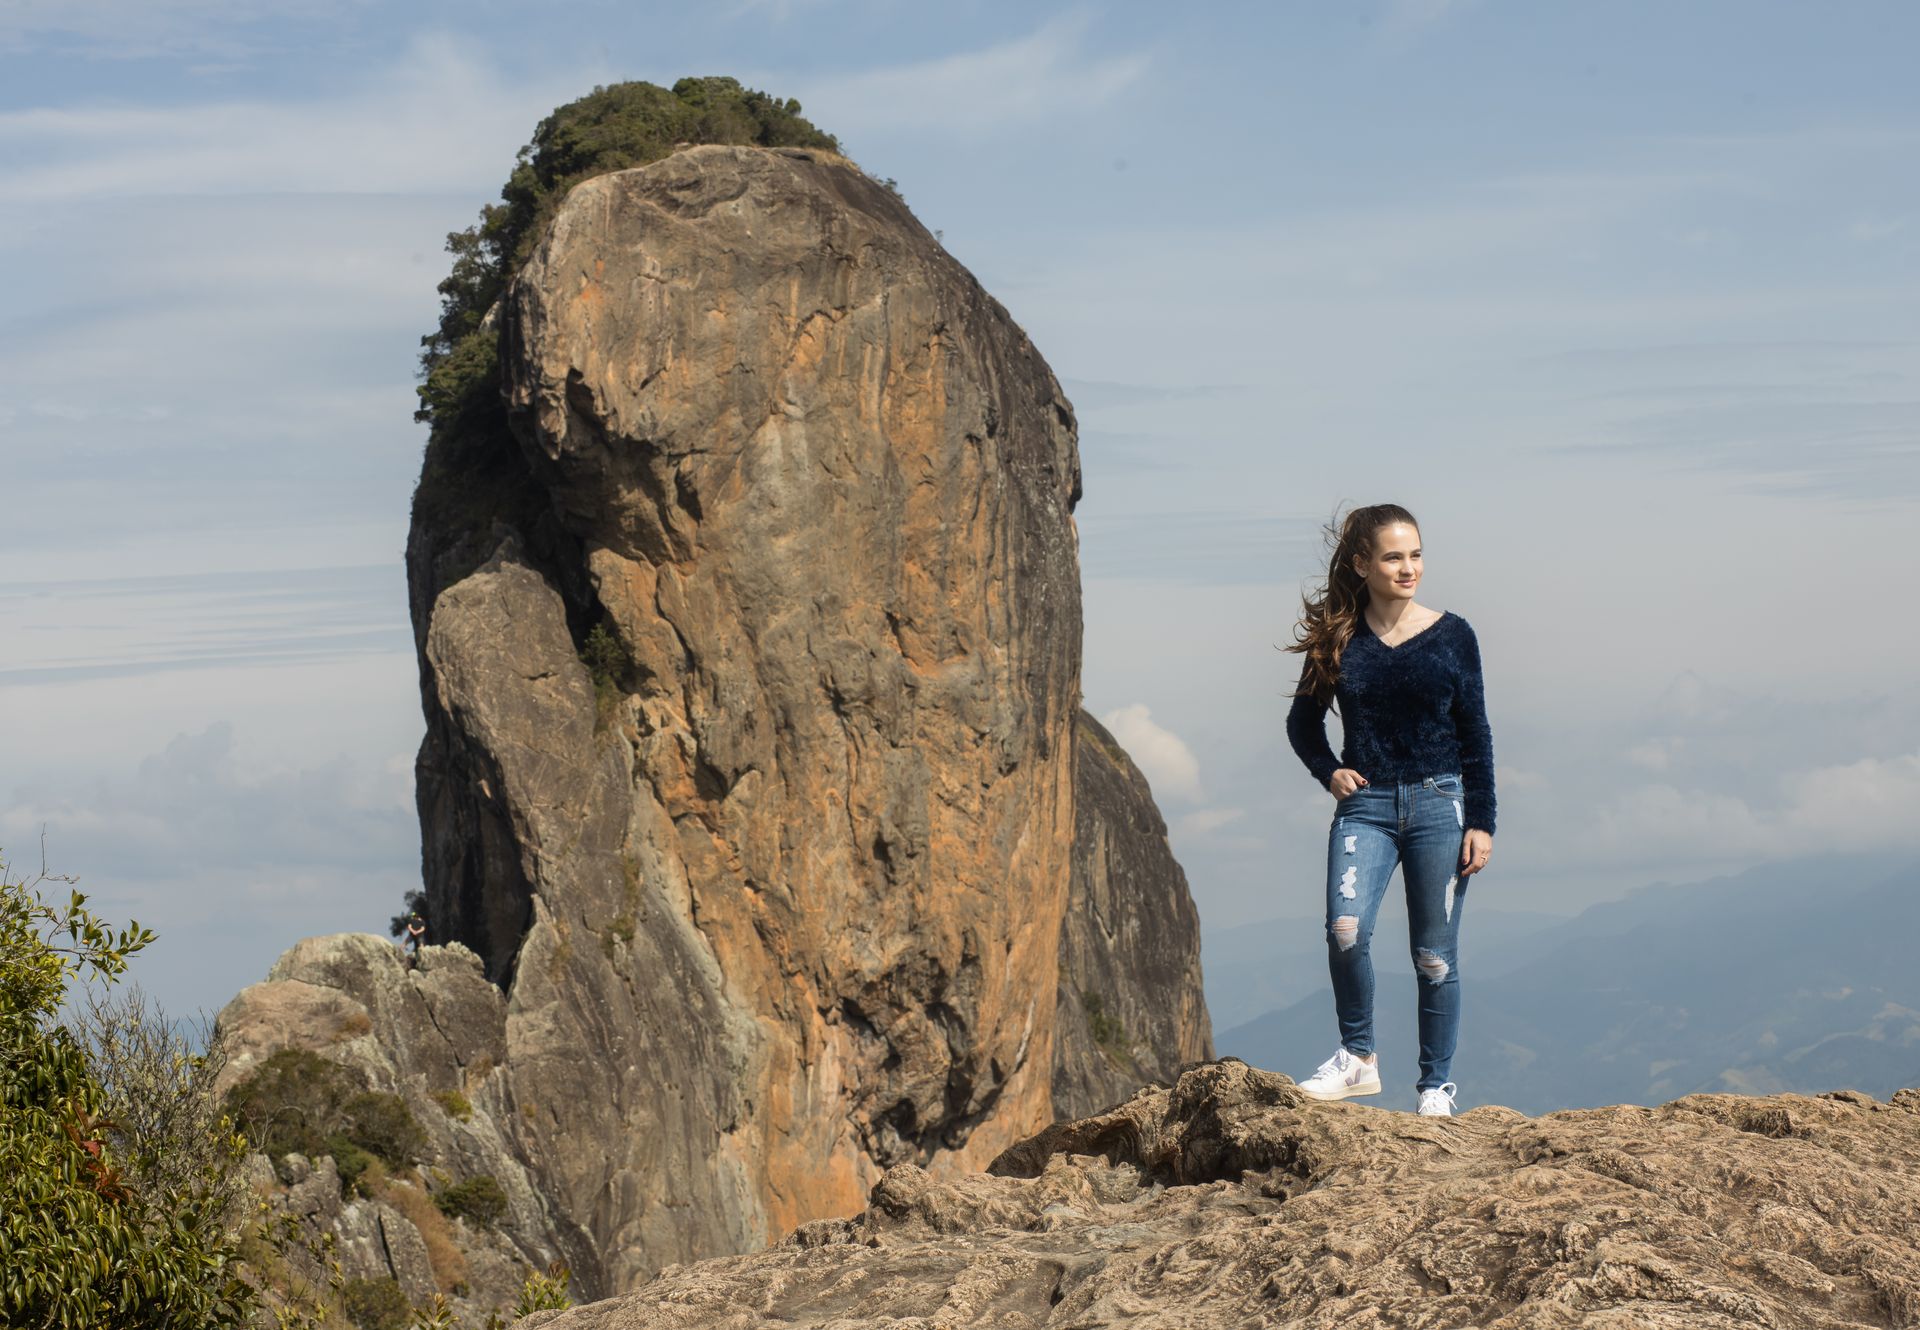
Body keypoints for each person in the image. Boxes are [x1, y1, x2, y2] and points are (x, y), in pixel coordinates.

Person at [1281, 503, 1496, 1117]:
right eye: (1394, 557)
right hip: (1366, 807)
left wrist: (1482, 821)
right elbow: (1301, 723)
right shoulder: (1339, 638)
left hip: (1441, 803)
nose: (1409, 568)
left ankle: (1435, 1088)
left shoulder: (1455, 634)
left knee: (1434, 955)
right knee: (1345, 931)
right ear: (1362, 564)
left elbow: (1475, 732)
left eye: (1417, 554)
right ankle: (1357, 1058)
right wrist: (1330, 771)